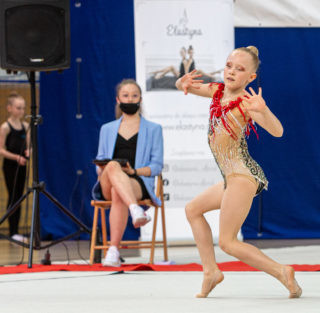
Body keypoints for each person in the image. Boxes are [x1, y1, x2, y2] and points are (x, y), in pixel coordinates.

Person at [175, 46, 302, 298]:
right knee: (193, 210)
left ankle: (281, 271)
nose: (231, 71)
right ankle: (211, 271)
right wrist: (181, 81)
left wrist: (263, 110)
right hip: (230, 178)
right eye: (229, 65)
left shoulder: (246, 103)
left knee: (228, 242)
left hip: (242, 176)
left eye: (240, 69)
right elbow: (187, 87)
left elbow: (278, 131)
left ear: (251, 78)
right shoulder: (217, 91)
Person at [93, 79, 163, 267]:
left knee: (119, 192)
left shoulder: (154, 129)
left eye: (134, 96)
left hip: (137, 181)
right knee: (113, 166)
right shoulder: (106, 129)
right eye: (126, 95)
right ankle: (135, 209)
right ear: (118, 99)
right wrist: (104, 167)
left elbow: (156, 166)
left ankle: (113, 250)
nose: (130, 99)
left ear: (140, 99)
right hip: (108, 180)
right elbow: (99, 161)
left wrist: (134, 171)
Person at [0, 92, 30, 243]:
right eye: (18, 108)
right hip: (11, 166)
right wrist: (16, 157)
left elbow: (30, 146)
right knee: (13, 196)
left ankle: (16, 231)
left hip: (23, 165)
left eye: (23, 108)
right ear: (9, 108)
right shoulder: (5, 127)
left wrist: (28, 152)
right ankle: (12, 231)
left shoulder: (26, 126)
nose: (21, 111)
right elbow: (1, 149)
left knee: (20, 196)